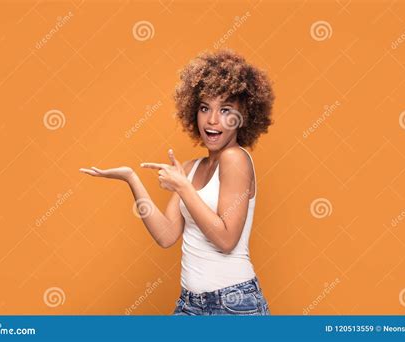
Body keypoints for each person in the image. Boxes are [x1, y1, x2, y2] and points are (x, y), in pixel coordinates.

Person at [80, 49, 275, 315]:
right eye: (205, 107)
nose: (212, 119)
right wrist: (132, 179)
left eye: (225, 110)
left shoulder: (235, 159)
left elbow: (227, 239)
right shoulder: (191, 168)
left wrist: (182, 188)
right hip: (190, 305)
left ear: (243, 119)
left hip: (233, 305)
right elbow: (166, 236)